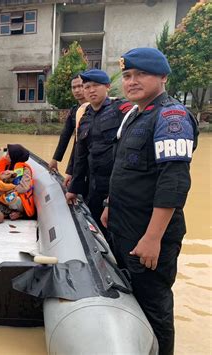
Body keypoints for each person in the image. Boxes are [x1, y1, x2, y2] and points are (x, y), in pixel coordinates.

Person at [101, 48, 198, 355]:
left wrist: (153, 238)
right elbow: (123, 169)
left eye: (141, 74)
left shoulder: (172, 117)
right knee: (133, 296)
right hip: (124, 226)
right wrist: (108, 205)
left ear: (163, 78)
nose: (132, 81)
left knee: (154, 306)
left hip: (149, 234)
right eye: (127, 75)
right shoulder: (134, 114)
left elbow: (174, 181)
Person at [65, 69, 132, 240]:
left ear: (107, 87)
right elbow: (80, 156)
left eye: (95, 86)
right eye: (87, 87)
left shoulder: (121, 111)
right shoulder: (85, 117)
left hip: (116, 186)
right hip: (93, 185)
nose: (90, 90)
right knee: (96, 229)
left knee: (117, 232)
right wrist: (73, 188)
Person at [48, 73, 88, 189]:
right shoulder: (74, 111)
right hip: (79, 158)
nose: (77, 90)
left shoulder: (94, 109)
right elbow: (65, 136)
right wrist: (55, 159)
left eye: (80, 86)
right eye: (74, 87)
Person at [0, 144, 35, 220]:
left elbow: (23, 188)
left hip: (18, 198)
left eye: (8, 154)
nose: (6, 155)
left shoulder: (25, 169)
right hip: (3, 196)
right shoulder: (7, 166)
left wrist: (6, 190)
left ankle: (19, 214)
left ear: (14, 157)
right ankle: (10, 213)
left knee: (11, 198)